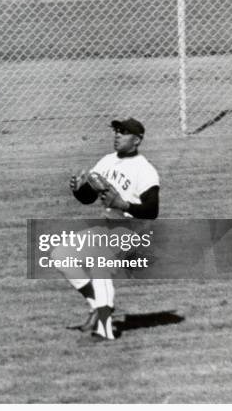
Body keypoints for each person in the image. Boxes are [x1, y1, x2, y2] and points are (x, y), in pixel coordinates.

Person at [66, 118, 160, 340]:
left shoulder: (144, 170)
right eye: (117, 130)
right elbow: (89, 197)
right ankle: (96, 307)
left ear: (137, 140)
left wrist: (123, 205)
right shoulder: (107, 161)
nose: (117, 135)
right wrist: (78, 190)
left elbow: (152, 210)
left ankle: (104, 327)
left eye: (124, 132)